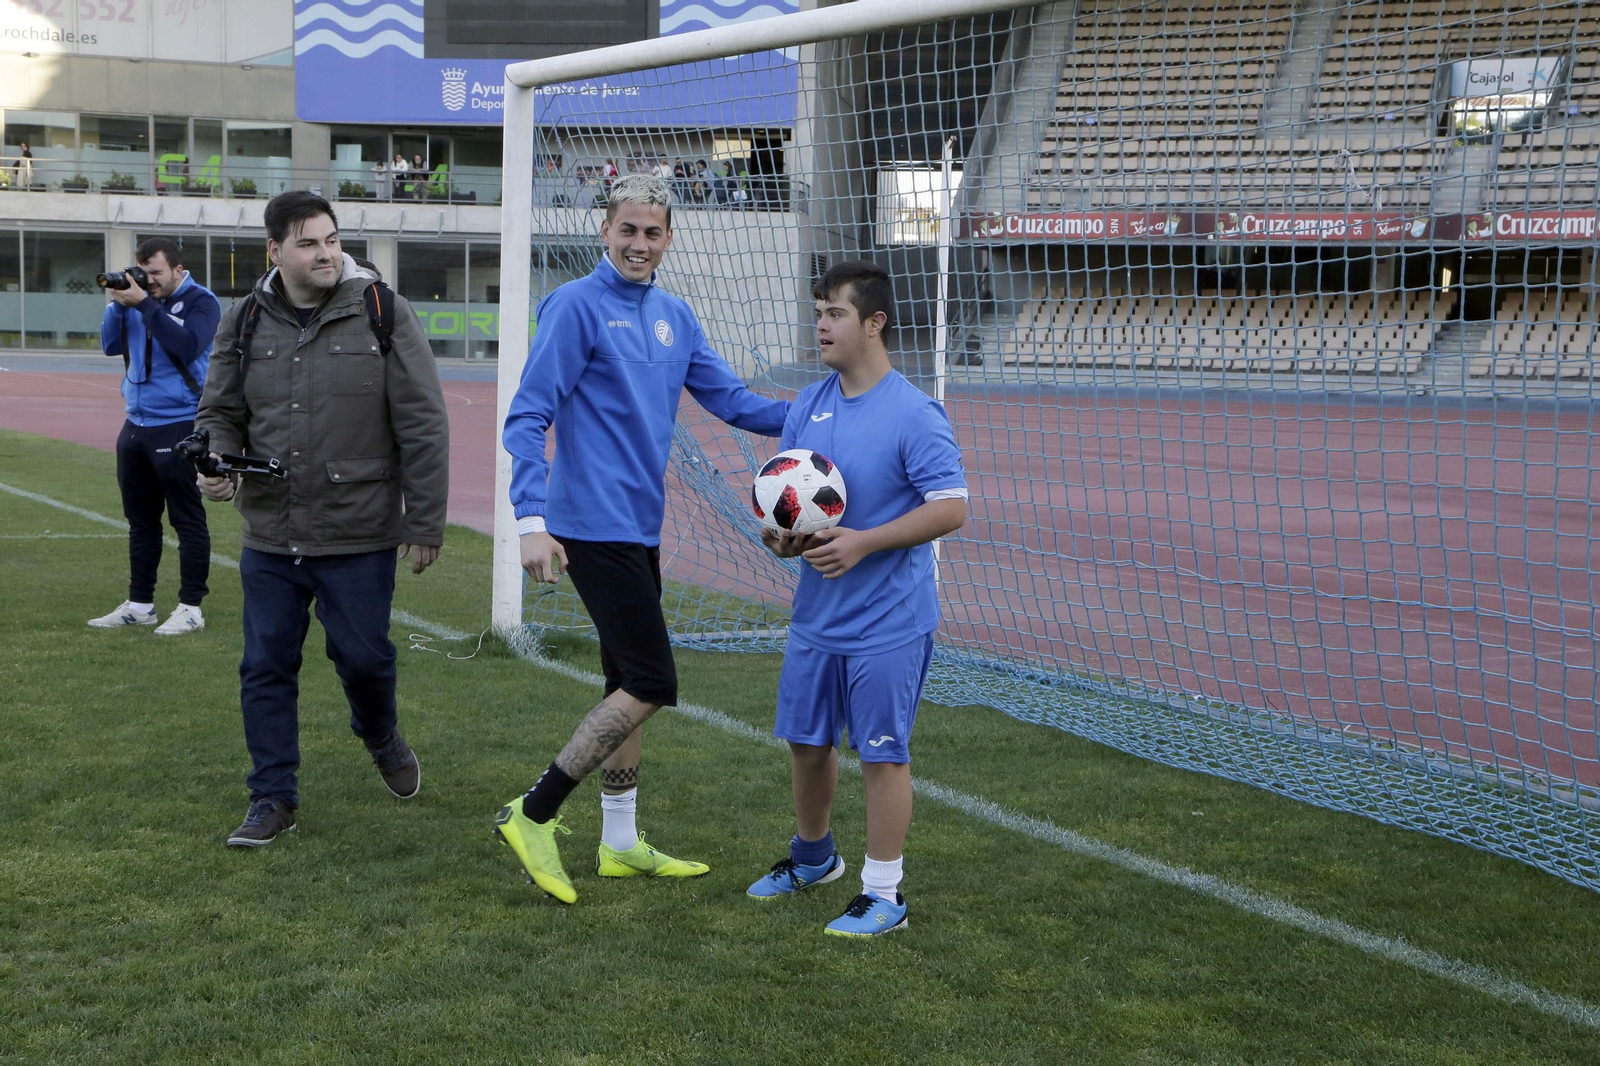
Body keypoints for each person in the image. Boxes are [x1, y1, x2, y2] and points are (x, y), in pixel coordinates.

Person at [498, 173, 790, 903]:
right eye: (626, 229)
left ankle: (621, 843)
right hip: (587, 526)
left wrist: (822, 409)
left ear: (668, 238)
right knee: (654, 682)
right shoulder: (574, 306)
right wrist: (530, 521)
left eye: (652, 232)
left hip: (638, 526)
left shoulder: (675, 316)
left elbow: (732, 401)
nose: (639, 243)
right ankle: (533, 813)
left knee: (624, 684)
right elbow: (528, 415)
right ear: (604, 231)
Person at [194, 190, 450, 848]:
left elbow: (423, 422)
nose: (326, 253)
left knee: (364, 660)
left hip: (359, 531)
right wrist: (217, 462)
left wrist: (424, 521)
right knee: (265, 667)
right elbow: (219, 412)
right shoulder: (243, 319)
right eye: (308, 243)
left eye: (332, 240)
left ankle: (380, 734)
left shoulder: (382, 311)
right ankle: (272, 796)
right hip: (270, 535)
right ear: (275, 251)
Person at [746, 260, 968, 937]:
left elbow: (952, 507)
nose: (821, 324)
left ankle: (883, 894)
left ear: (874, 323)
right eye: (818, 311)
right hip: (817, 618)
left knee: (881, 753)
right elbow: (785, 509)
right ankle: (813, 858)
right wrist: (782, 540)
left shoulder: (914, 413)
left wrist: (864, 543)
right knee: (806, 743)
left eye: (836, 313)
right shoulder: (807, 405)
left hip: (889, 622)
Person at [91, 237, 223, 636]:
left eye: (156, 273)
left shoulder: (201, 301)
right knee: (141, 520)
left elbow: (189, 345)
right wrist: (120, 305)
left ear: (178, 270)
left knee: (186, 519)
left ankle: (191, 607)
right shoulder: (136, 302)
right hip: (136, 423)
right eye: (142, 273)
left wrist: (145, 305)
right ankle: (140, 605)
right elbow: (109, 346)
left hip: (180, 422)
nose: (148, 281)